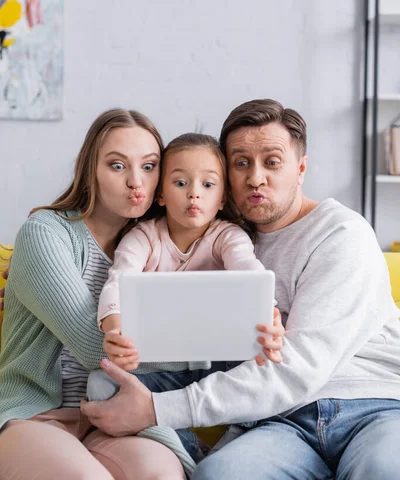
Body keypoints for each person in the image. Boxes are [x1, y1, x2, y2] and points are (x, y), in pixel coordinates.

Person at [82, 98, 400, 480]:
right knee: (218, 475)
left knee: (384, 469)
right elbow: (134, 252)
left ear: (300, 169)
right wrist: (44, 263)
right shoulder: (220, 238)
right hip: (280, 423)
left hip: (373, 406)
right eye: (241, 163)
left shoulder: (341, 233)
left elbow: (298, 370)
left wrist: (157, 408)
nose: (256, 178)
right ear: (225, 175)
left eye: (272, 161)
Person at [0, 107, 283, 480]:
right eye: (117, 166)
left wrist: (257, 326)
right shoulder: (46, 233)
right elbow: (93, 346)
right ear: (91, 171)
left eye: (149, 167)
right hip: (38, 412)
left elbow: (238, 278)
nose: (136, 181)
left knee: (163, 475)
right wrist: (221, 348)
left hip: (118, 414)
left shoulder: (154, 243)